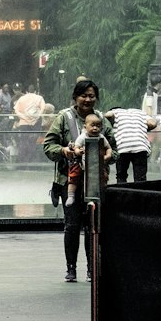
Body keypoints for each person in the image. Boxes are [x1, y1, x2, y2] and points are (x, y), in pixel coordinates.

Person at [43, 77, 117, 283]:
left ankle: (92, 268)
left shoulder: (101, 120)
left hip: (96, 181)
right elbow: (48, 146)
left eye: (91, 96)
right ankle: (71, 268)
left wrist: (109, 156)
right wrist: (65, 151)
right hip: (70, 181)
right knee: (72, 225)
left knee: (93, 226)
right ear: (75, 97)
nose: (87, 99)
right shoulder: (63, 118)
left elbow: (115, 149)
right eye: (83, 95)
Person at [104, 104, 158, 183]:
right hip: (140, 146)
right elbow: (153, 123)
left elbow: (108, 115)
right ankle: (140, 194)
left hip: (122, 146)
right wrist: (143, 128)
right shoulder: (140, 112)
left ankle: (122, 194)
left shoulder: (115, 111)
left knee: (121, 176)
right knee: (140, 178)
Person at [67, 112, 112, 205]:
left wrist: (108, 155)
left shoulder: (101, 137)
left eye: (98, 126)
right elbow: (76, 147)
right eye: (92, 125)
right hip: (82, 163)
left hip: (97, 164)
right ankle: (71, 195)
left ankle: (101, 194)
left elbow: (109, 148)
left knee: (103, 177)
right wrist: (78, 152)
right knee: (74, 175)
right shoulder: (83, 137)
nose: (95, 128)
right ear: (85, 126)